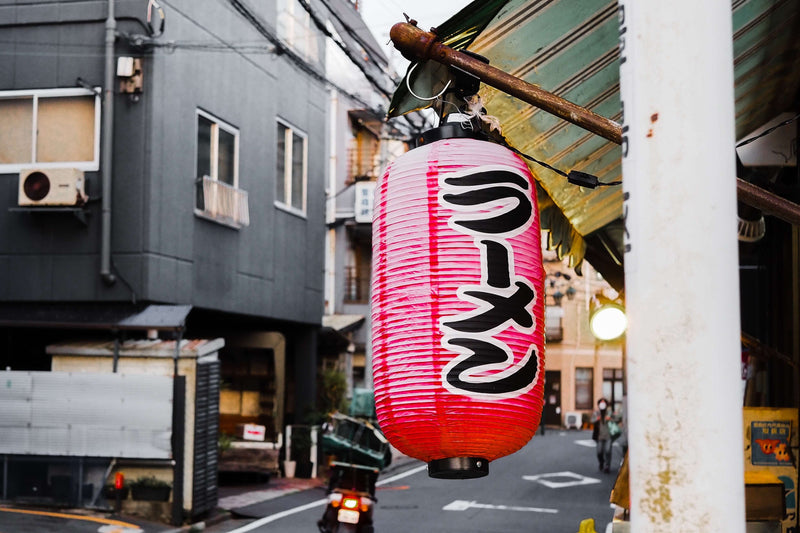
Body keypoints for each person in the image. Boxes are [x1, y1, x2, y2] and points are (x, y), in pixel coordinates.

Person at [591, 397, 620, 473]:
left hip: (608, 436)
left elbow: (617, 419)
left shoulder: (610, 413)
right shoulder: (596, 413)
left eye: (604, 403)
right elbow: (591, 420)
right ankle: (601, 462)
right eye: (601, 403)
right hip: (599, 436)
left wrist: (610, 418)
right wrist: (597, 419)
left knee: (608, 451)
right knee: (599, 452)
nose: (602, 404)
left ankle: (607, 466)